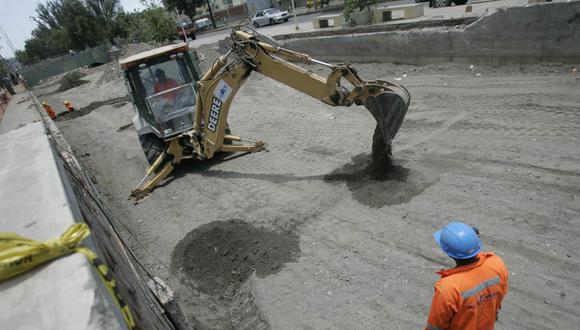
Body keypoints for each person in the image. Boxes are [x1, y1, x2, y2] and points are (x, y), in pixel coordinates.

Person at [426, 221, 509, 330]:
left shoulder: (448, 288)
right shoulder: (497, 263)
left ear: (447, 252)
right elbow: (499, 295)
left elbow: (435, 326)